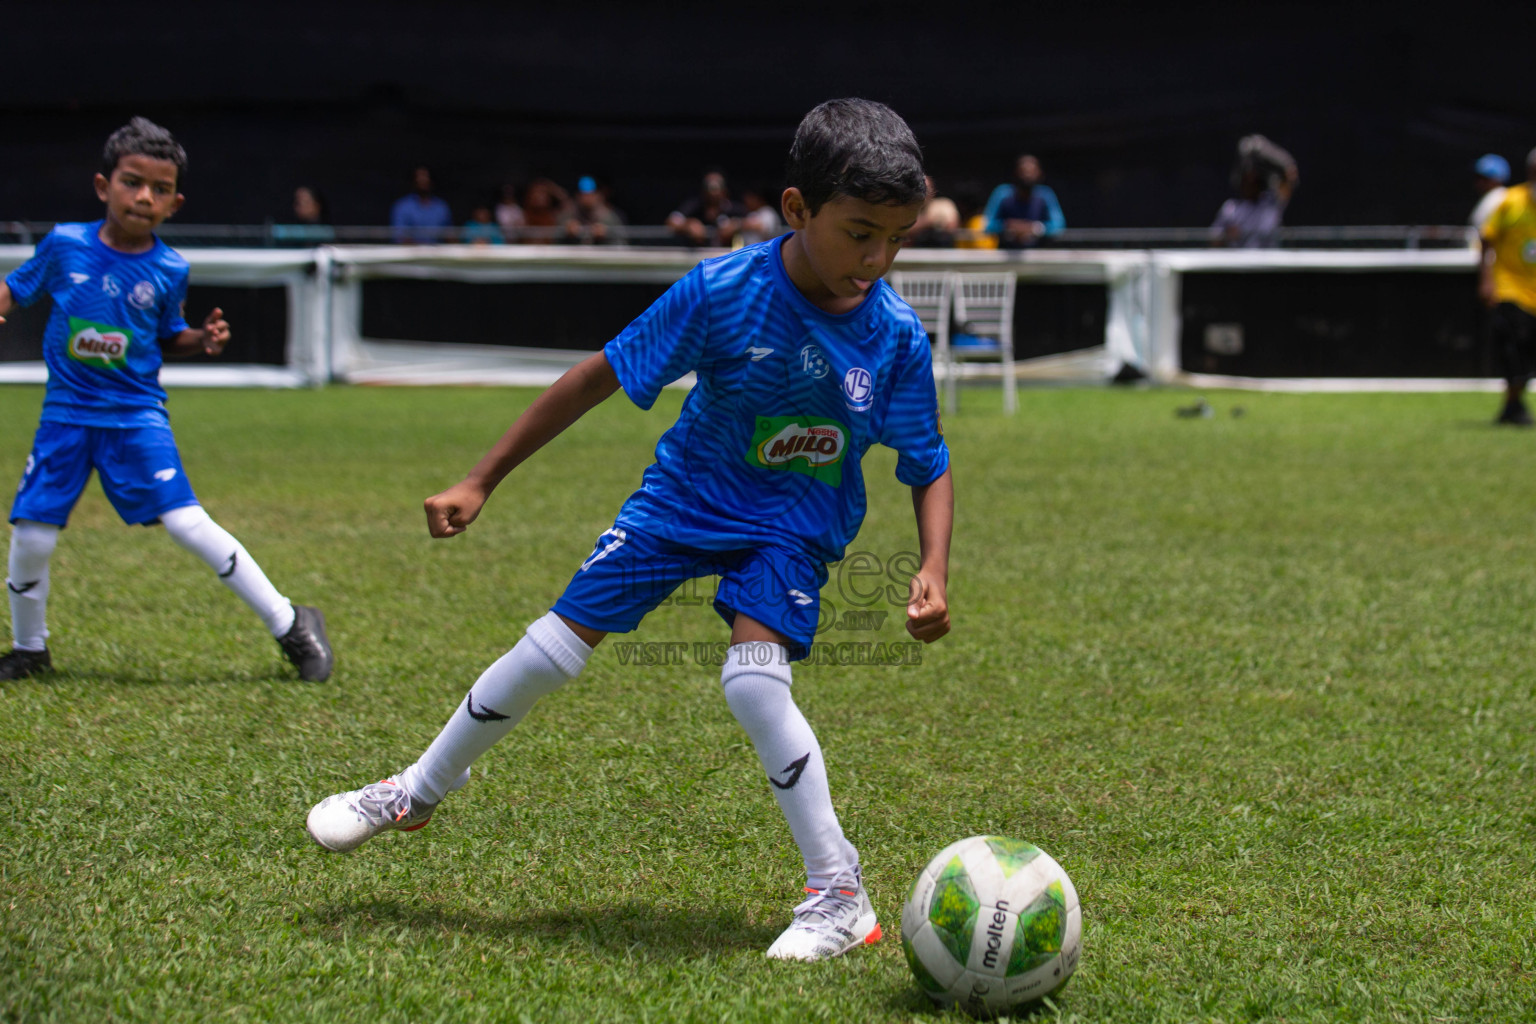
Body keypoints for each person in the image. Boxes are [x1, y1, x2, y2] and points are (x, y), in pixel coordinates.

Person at [305, 98, 953, 964]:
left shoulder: (897, 338)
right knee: (548, 648)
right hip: (682, 499)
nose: (877, 260)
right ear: (797, 210)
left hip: (793, 524)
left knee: (754, 685)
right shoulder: (723, 293)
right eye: (861, 232)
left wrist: (933, 567)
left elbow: (928, 460)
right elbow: (594, 378)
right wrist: (481, 477)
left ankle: (840, 894)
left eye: (898, 238)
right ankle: (415, 791)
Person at [0, 117, 334, 683]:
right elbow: (18, 285)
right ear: (104, 186)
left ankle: (292, 623)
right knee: (32, 534)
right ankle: (31, 651)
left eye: (159, 190)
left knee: (185, 523)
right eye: (132, 182)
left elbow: (163, 335)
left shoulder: (168, 267)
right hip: (66, 416)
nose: (143, 197)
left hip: (136, 417)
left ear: (174, 203)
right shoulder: (65, 245)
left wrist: (200, 339)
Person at [1479, 147, 1536, 426]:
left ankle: (1513, 405)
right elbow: (1486, 239)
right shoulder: (1510, 202)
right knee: (1514, 350)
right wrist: (1487, 280)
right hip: (1512, 289)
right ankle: (1513, 403)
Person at [1211, 134, 1298, 248]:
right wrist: (1226, 236)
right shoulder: (1230, 210)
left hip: (1269, 263)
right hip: (1239, 264)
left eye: (1255, 180)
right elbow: (1213, 242)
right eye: (1247, 180)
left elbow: (1290, 174)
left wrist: (1265, 151)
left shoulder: (1272, 204)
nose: (1251, 183)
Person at [983, 155, 1065, 248]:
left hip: (1038, 254)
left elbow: (1058, 225)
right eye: (1023, 171)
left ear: (1040, 174)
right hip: (1006, 253)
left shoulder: (1045, 195)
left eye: (1032, 172)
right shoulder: (1002, 193)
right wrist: (1009, 226)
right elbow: (987, 225)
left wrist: (1035, 228)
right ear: (1015, 173)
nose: (1027, 175)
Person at [666, 169, 745, 246]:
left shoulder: (733, 208)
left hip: (727, 254)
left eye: (717, 189)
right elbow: (672, 221)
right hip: (700, 254)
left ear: (724, 191)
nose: (713, 193)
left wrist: (736, 225)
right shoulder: (694, 205)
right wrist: (688, 225)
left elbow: (753, 221)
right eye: (709, 188)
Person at [390, 166, 453, 244]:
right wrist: (421, 251)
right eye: (419, 177)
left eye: (425, 177)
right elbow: (400, 236)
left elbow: (449, 235)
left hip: (437, 253)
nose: (422, 180)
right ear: (413, 181)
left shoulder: (441, 206)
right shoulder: (402, 206)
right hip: (411, 253)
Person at [561, 176, 626, 244]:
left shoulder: (608, 217)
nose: (587, 198)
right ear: (577, 196)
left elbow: (622, 243)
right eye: (583, 194)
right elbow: (555, 240)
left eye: (591, 194)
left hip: (601, 253)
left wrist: (606, 235)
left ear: (597, 195)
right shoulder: (568, 214)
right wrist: (567, 232)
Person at [1469, 153, 1510, 247]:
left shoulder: (1501, 198)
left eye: (1484, 178)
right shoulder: (1490, 197)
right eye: (1477, 177)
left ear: (1496, 179)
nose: (1479, 182)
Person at [909, 175, 960, 248]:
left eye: (927, 189)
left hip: (942, 251)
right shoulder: (907, 208)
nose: (924, 193)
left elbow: (952, 227)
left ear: (933, 190)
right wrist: (930, 221)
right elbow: (904, 230)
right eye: (920, 188)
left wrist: (920, 224)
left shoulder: (944, 204)